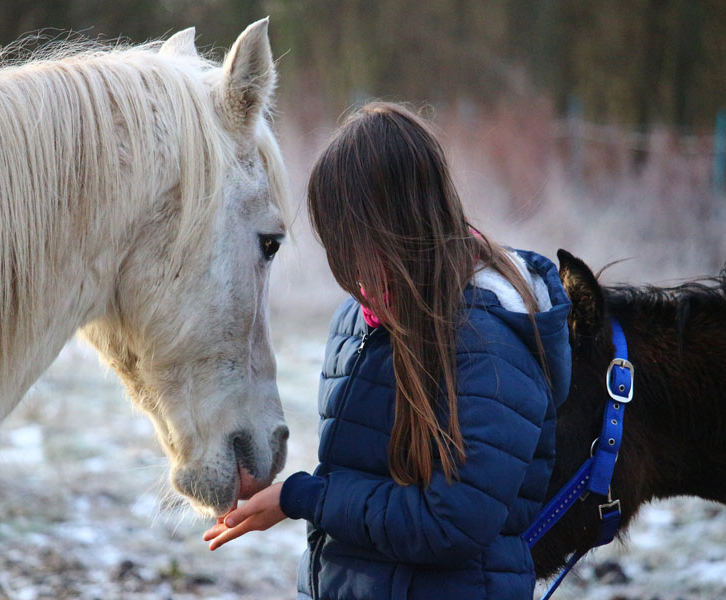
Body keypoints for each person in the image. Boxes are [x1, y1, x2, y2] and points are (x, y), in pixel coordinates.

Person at [203, 102, 571, 599]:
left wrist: (305, 497)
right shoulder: (358, 322)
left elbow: (450, 524)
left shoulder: (490, 345)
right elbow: (362, 485)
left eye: (357, 243)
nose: (350, 270)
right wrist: (278, 488)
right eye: (338, 246)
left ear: (402, 227)